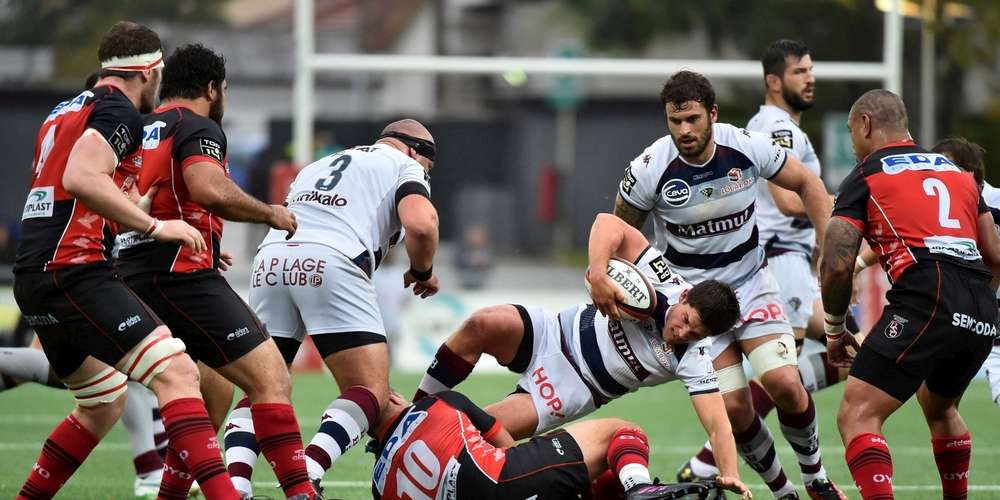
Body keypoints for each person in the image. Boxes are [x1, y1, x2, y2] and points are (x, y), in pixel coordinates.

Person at [12, 21, 240, 500]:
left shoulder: (63, 110)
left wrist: (148, 213)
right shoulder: (119, 110)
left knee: (103, 402)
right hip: (73, 271)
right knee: (177, 372)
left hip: (35, 273)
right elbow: (80, 178)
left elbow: (78, 197)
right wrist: (158, 227)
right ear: (150, 71)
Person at [613, 70, 841, 500]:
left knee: (786, 386)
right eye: (675, 121)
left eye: (693, 119)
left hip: (752, 284)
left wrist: (829, 248)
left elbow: (809, 183)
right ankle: (784, 491)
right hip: (694, 301)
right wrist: (628, 288)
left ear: (712, 114)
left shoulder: (746, 146)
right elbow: (617, 232)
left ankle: (817, 480)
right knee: (737, 406)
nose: (684, 130)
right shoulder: (649, 168)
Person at [414, 212, 751, 498]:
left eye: (696, 334)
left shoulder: (695, 358)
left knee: (472, 431)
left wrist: (731, 472)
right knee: (483, 323)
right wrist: (600, 273)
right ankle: (412, 415)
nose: (682, 333)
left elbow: (719, 424)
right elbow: (607, 223)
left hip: (570, 389)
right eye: (686, 321)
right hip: (553, 332)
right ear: (685, 297)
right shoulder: (663, 277)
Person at [111, 44, 315, 500]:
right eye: (223, 89)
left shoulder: (142, 127)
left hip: (136, 270)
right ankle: (304, 494)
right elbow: (207, 188)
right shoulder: (197, 125)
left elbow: (142, 194)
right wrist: (270, 213)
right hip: (179, 276)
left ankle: (170, 495)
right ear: (211, 88)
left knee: (214, 389)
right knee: (271, 379)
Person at [222, 119, 440, 495]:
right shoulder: (404, 166)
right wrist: (423, 270)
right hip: (332, 260)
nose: (426, 173)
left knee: (262, 384)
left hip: (271, 258)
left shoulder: (321, 164)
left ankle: (235, 485)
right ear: (414, 150)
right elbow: (422, 224)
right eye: (428, 166)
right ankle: (307, 471)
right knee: (370, 390)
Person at [679, 40, 848, 493]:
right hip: (779, 260)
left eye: (811, 70)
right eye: (799, 72)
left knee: (798, 373)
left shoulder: (777, 126)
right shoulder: (778, 129)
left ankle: (709, 461)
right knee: (799, 373)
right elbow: (786, 197)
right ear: (774, 81)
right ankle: (709, 462)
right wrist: (835, 210)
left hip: (782, 262)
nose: (809, 79)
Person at [821, 90, 1000, 500]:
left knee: (857, 414)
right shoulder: (960, 174)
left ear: (865, 124)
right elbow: (995, 255)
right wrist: (974, 306)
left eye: (852, 133)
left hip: (927, 292)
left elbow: (835, 263)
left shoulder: (867, 173)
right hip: (980, 304)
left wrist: (835, 329)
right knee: (940, 408)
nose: (853, 144)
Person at [371, 389, 741, 500]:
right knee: (619, 433)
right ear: (391, 399)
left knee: (586, 483)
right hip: (506, 478)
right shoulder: (438, 402)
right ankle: (639, 487)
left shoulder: (377, 483)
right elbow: (503, 440)